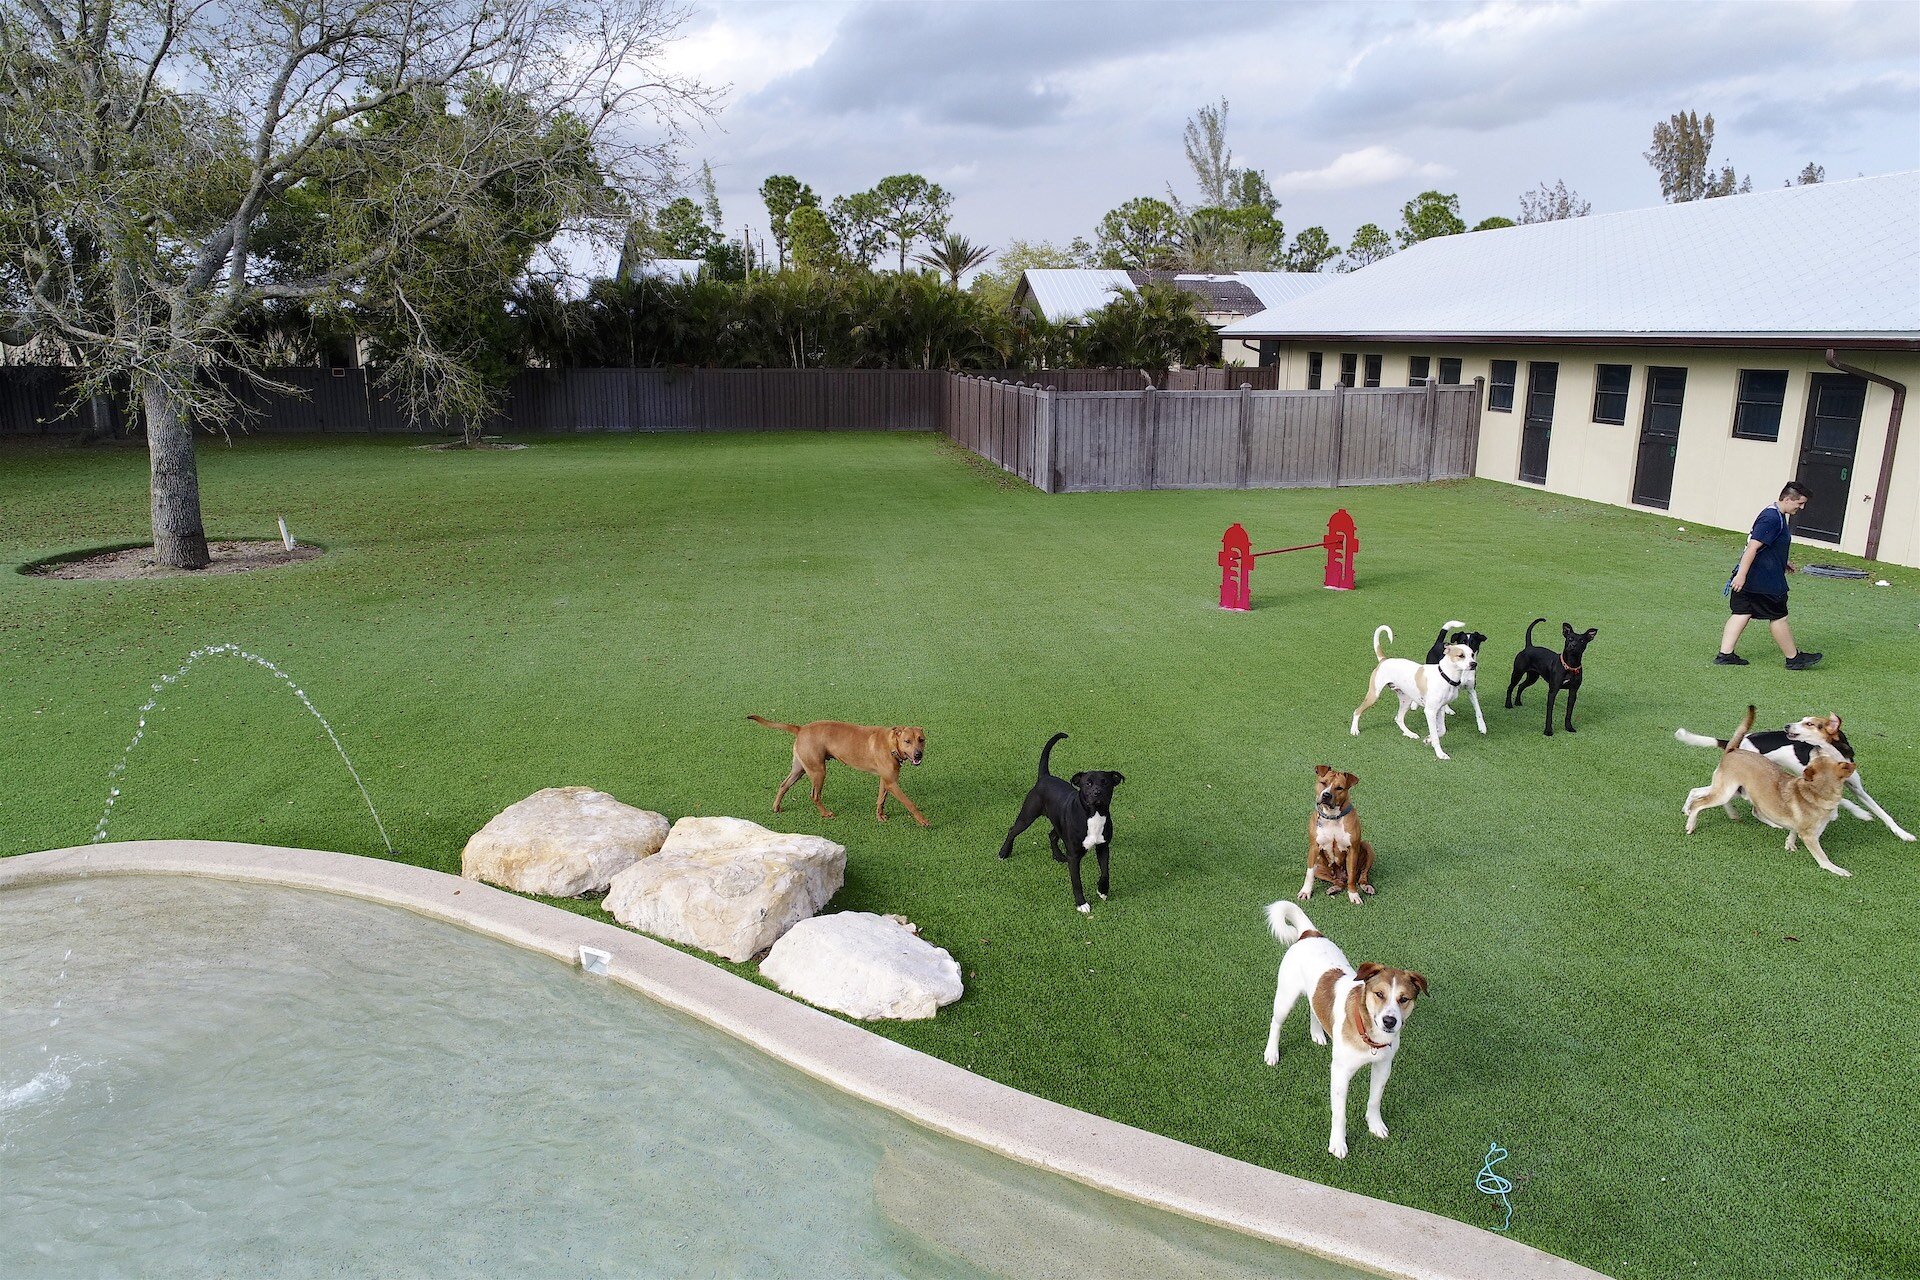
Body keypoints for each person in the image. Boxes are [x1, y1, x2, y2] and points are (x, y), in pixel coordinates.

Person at [1715, 481, 1821, 669]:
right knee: (1778, 616)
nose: (1802, 507)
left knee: (1742, 612)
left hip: (1751, 578)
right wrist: (1741, 575)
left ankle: (1725, 655)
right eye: (1800, 503)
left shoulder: (1774, 513)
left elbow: (1765, 544)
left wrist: (1783, 561)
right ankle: (1793, 658)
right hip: (1764, 581)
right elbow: (1752, 548)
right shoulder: (1772, 518)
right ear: (1788, 499)